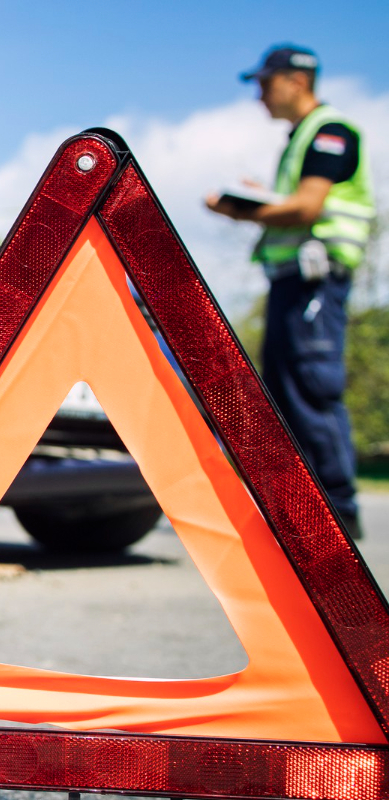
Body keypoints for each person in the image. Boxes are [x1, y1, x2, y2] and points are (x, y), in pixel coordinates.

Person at [206, 45, 374, 539]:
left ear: (296, 81)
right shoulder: (301, 138)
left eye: (264, 84)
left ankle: (338, 515)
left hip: (314, 283)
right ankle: (303, 513)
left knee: (311, 387)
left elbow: (306, 208)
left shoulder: (330, 132)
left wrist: (244, 211)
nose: (259, 95)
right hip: (292, 283)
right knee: (283, 390)